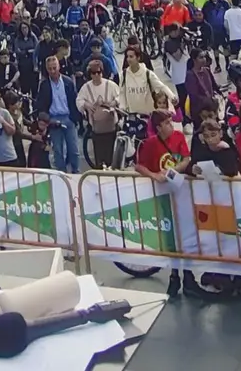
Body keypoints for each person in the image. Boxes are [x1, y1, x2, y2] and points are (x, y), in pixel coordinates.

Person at [135, 109, 209, 299]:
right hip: (163, 196)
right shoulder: (150, 144)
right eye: (167, 123)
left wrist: (174, 170)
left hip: (181, 191)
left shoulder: (178, 137)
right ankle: (174, 275)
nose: (171, 126)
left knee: (186, 233)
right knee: (170, 237)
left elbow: (186, 158)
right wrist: (154, 176)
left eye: (171, 122)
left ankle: (189, 276)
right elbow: (140, 165)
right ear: (158, 128)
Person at [35, 55, 81, 173]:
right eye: (50, 69)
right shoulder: (44, 85)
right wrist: (47, 119)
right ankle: (62, 174)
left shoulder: (68, 82)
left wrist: (74, 119)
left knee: (74, 150)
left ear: (59, 67)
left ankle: (76, 173)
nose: (52, 71)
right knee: (58, 151)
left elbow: (74, 101)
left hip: (68, 117)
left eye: (54, 68)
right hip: (53, 119)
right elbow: (40, 105)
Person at [77, 59, 121, 168]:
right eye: (93, 73)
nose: (97, 75)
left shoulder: (111, 85)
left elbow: (120, 97)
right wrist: (86, 105)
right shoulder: (86, 87)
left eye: (99, 72)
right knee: (99, 155)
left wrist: (114, 102)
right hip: (96, 127)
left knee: (111, 153)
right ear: (90, 74)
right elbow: (79, 100)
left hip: (111, 125)